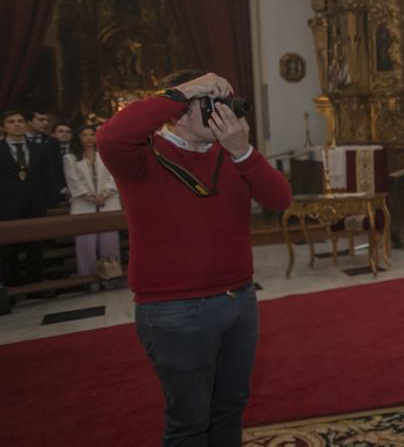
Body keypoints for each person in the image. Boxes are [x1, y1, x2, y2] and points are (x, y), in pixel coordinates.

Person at [96, 70, 291, 446]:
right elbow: (111, 135)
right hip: (175, 310)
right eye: (211, 105)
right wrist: (186, 90)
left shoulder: (231, 156)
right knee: (190, 422)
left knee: (231, 407)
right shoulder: (141, 157)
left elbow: (279, 199)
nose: (225, 114)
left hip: (239, 301)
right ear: (180, 112)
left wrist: (243, 151)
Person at [0, 109, 61, 289]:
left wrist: (50, 199)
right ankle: (11, 287)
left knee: (36, 247)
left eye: (20, 121)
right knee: (8, 249)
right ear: (3, 127)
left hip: (35, 203)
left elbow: (48, 176)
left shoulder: (39, 148)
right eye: (11, 122)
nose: (17, 124)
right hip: (7, 205)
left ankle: (35, 285)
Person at [64, 124, 121, 280]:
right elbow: (73, 182)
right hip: (84, 205)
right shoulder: (70, 158)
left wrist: (105, 194)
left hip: (108, 202)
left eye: (92, 134)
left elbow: (114, 175)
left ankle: (111, 277)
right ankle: (88, 278)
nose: (89, 138)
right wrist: (91, 197)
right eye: (84, 134)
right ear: (78, 138)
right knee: (85, 245)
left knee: (109, 243)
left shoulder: (106, 153)